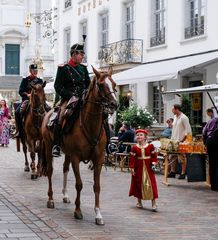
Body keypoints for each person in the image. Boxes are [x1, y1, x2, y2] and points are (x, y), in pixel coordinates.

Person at [52, 43, 90, 157]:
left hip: (83, 98)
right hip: (69, 99)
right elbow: (58, 86)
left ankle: (105, 144)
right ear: (74, 54)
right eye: (81, 54)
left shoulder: (83, 68)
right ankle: (56, 145)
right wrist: (70, 95)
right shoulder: (63, 68)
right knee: (61, 116)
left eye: (83, 54)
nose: (82, 56)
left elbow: (88, 84)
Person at [129, 129, 158, 211]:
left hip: (148, 167)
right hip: (138, 167)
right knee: (138, 183)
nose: (139, 136)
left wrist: (154, 163)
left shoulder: (150, 146)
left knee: (151, 184)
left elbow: (154, 156)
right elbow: (132, 158)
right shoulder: (134, 148)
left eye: (141, 135)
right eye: (138, 135)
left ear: (145, 137)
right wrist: (131, 167)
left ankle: (154, 203)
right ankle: (139, 201)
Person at [14, 64, 44, 137]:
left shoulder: (40, 80)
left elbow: (42, 91)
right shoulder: (25, 80)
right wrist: (27, 95)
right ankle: (19, 130)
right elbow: (21, 91)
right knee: (17, 112)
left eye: (36, 70)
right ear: (30, 71)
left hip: (38, 100)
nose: (35, 72)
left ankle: (46, 128)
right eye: (34, 71)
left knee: (48, 110)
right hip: (27, 100)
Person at [168, 104, 192, 179]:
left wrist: (183, 140)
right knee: (171, 156)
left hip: (181, 140)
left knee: (182, 157)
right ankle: (172, 172)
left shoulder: (184, 118)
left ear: (176, 109)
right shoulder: (175, 117)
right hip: (174, 140)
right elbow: (175, 128)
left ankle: (183, 173)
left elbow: (188, 130)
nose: (172, 111)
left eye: (173, 109)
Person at [202, 115, 218, 191]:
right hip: (215, 141)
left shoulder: (212, 120)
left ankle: (214, 185)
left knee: (213, 164)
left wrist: (205, 143)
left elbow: (204, 132)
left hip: (210, 141)